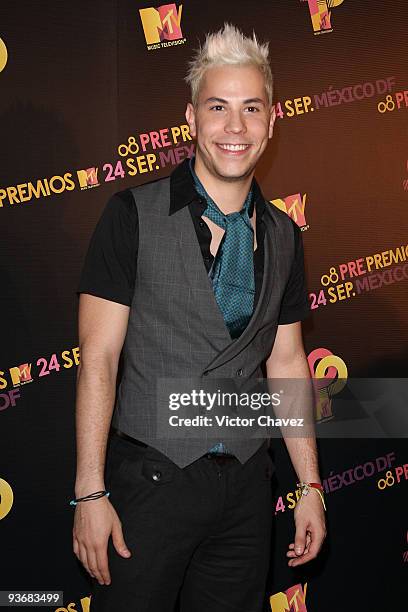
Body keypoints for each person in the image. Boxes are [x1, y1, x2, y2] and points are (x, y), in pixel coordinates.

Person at [72, 23, 326, 612]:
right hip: (150, 486)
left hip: (245, 493)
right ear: (191, 119)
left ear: (271, 120)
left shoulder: (286, 235)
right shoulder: (129, 215)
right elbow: (99, 360)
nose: (234, 128)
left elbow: (287, 363)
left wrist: (309, 486)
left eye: (250, 109)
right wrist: (89, 490)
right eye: (218, 107)